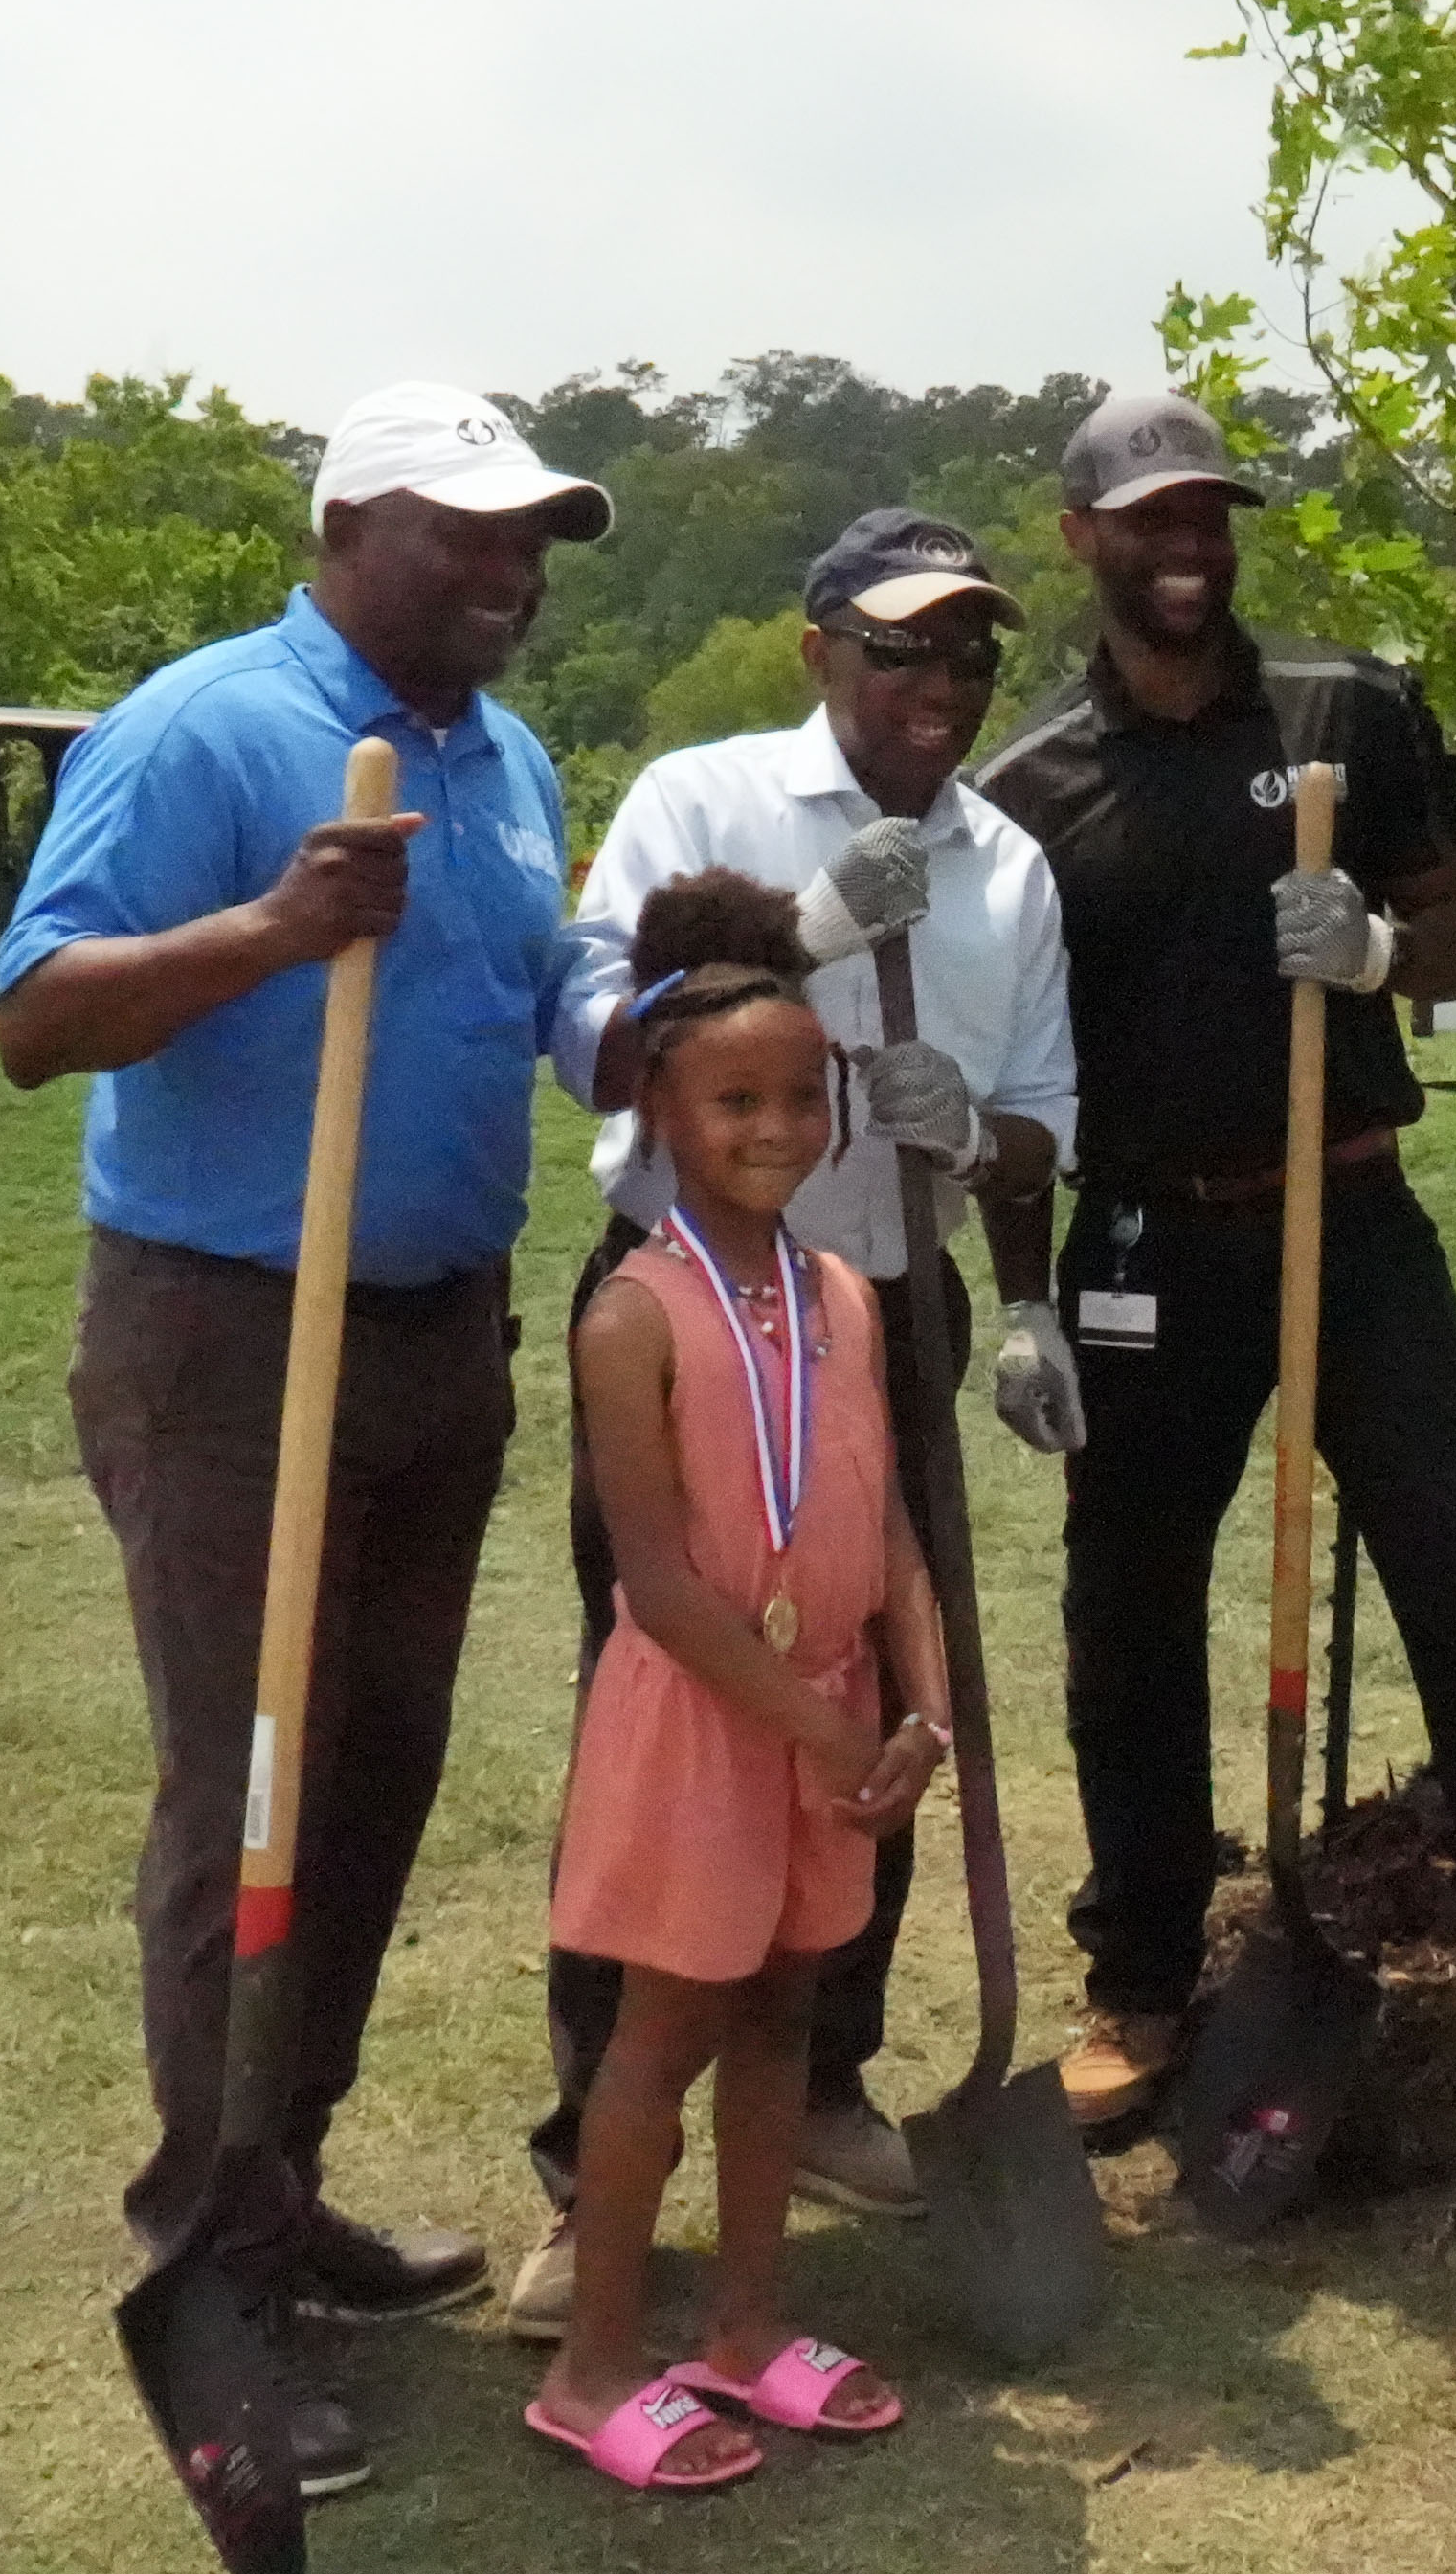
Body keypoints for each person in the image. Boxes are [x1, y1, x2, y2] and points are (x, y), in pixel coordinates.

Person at [0, 381, 615, 2498]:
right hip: (231, 1330)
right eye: (472, 531)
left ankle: (287, 2181)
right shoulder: (206, 725)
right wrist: (270, 923)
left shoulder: (509, 761)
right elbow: (31, 1012)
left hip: (441, 1334)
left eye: (536, 537)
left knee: (368, 1769)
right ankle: (213, 2259)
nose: (515, 569)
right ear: (352, 517)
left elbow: (543, 1006)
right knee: (245, 1784)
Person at [974, 388, 1456, 2207]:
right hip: (1140, 1247)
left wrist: (1381, 948)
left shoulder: (1343, 714)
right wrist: (1026, 1296)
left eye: (1210, 512)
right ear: (1083, 538)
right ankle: (1139, 1989)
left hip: (1348, 1218)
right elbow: (1014, 1080)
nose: (1188, 543)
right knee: (1125, 1613)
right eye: (1150, 517)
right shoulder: (1032, 793)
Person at [514, 508, 1079, 2333]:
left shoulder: (1009, 867)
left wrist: (984, 1187)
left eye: (973, 654)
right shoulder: (703, 796)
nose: (940, 685)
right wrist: (805, 937)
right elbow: (600, 1024)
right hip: (691, 1312)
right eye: (904, 648)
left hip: (876, 1305)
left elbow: (1042, 1113)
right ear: (819, 648)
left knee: (884, 1694)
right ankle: (588, 2147)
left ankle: (823, 2073)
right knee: (671, 1714)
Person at [526, 870, 946, 2492]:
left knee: (786, 2014)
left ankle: (749, 2331)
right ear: (661, 1115)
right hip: (711, 1725)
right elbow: (659, 1583)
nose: (774, 1127)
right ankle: (590, 2365)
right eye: (733, 1102)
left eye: (798, 1096)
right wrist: (828, 1726)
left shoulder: (841, 1294)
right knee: (665, 2034)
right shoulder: (633, 1315)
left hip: (833, 1719)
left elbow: (892, 1512)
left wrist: (920, 1707)